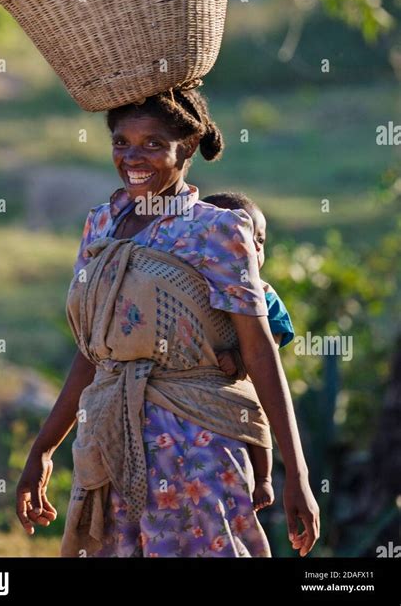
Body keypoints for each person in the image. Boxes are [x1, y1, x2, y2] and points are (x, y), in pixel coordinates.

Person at [16, 88, 319, 558]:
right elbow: (93, 352)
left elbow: (260, 352)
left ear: (189, 147)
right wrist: (42, 449)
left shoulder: (217, 230)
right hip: (109, 444)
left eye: (154, 144)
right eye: (122, 142)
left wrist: (297, 473)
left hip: (197, 453)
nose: (133, 157)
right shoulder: (100, 226)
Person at [201, 191, 295, 512]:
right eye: (245, 236)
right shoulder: (195, 287)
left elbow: (275, 337)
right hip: (198, 400)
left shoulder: (262, 294)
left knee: (256, 420)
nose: (255, 247)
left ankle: (265, 479)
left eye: (261, 239)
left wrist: (241, 360)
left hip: (242, 389)